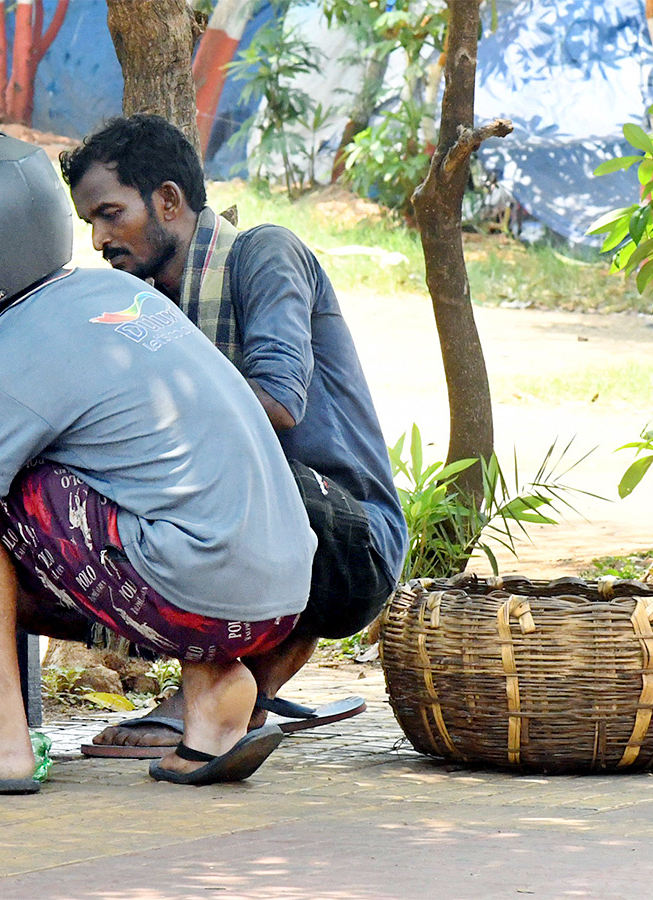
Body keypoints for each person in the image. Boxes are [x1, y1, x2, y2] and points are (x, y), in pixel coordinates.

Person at [0, 131, 317, 792]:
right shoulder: (123, 301)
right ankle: (212, 694)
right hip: (282, 602)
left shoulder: (1, 366)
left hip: (196, 590)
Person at [57, 114, 409, 757]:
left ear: (167, 199)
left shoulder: (264, 253)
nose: (101, 238)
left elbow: (276, 404)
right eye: (91, 224)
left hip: (352, 537)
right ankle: (241, 690)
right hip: (275, 527)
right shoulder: (143, 304)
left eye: (110, 213)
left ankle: (217, 689)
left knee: (184, 476)